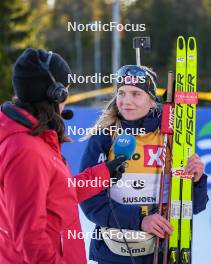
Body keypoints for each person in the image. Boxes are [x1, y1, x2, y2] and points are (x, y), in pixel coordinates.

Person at [0, 48, 126, 264]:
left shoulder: (34, 138)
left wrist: (102, 174)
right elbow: (31, 238)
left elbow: (57, 197)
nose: (66, 99)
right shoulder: (26, 149)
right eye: (66, 91)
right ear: (54, 93)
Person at [79, 65, 208, 264]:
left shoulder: (172, 137)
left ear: (151, 99)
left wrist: (197, 180)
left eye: (136, 94)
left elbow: (195, 206)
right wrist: (140, 220)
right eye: (121, 93)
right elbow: (89, 200)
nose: (126, 101)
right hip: (115, 251)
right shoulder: (104, 136)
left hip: (166, 248)